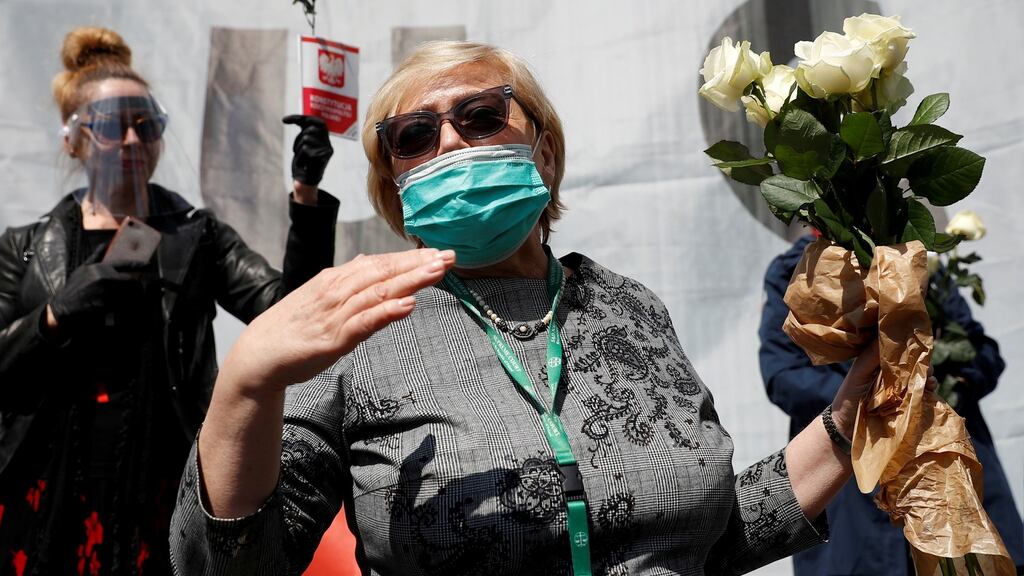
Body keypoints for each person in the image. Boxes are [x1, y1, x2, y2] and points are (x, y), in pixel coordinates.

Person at [170, 41, 905, 576]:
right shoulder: (357, 329)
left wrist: (856, 408)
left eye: (481, 115)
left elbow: (708, 538)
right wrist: (246, 383)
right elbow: (230, 566)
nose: (450, 141)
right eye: (414, 136)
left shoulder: (629, 306)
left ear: (544, 153)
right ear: (396, 189)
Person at [0, 26, 339, 575]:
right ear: (74, 139)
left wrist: (306, 193)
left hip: (158, 489)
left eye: (146, 124)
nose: (132, 140)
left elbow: (289, 313)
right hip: (48, 491)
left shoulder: (196, 235)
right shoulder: (27, 245)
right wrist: (55, 314)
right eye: (111, 125)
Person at [758, 233, 1024, 576]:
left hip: (944, 464)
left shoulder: (910, 255)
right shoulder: (797, 270)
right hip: (855, 491)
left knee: (968, 559)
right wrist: (876, 396)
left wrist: (932, 379)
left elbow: (982, 354)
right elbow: (783, 377)